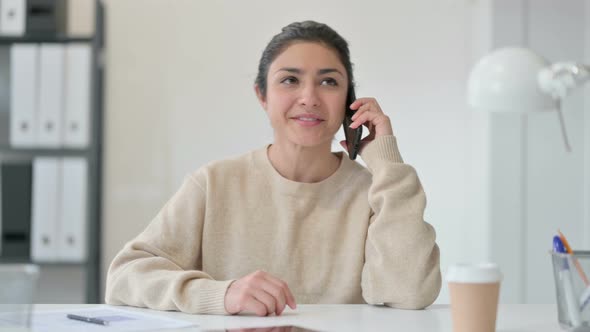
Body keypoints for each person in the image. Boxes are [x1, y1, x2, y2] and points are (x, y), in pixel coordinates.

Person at [105, 20, 441, 317]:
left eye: (329, 82)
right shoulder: (214, 183)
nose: (309, 97)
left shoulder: (377, 192)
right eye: (290, 80)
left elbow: (409, 293)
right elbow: (124, 277)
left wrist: (386, 161)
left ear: (349, 103)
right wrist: (221, 294)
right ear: (262, 95)